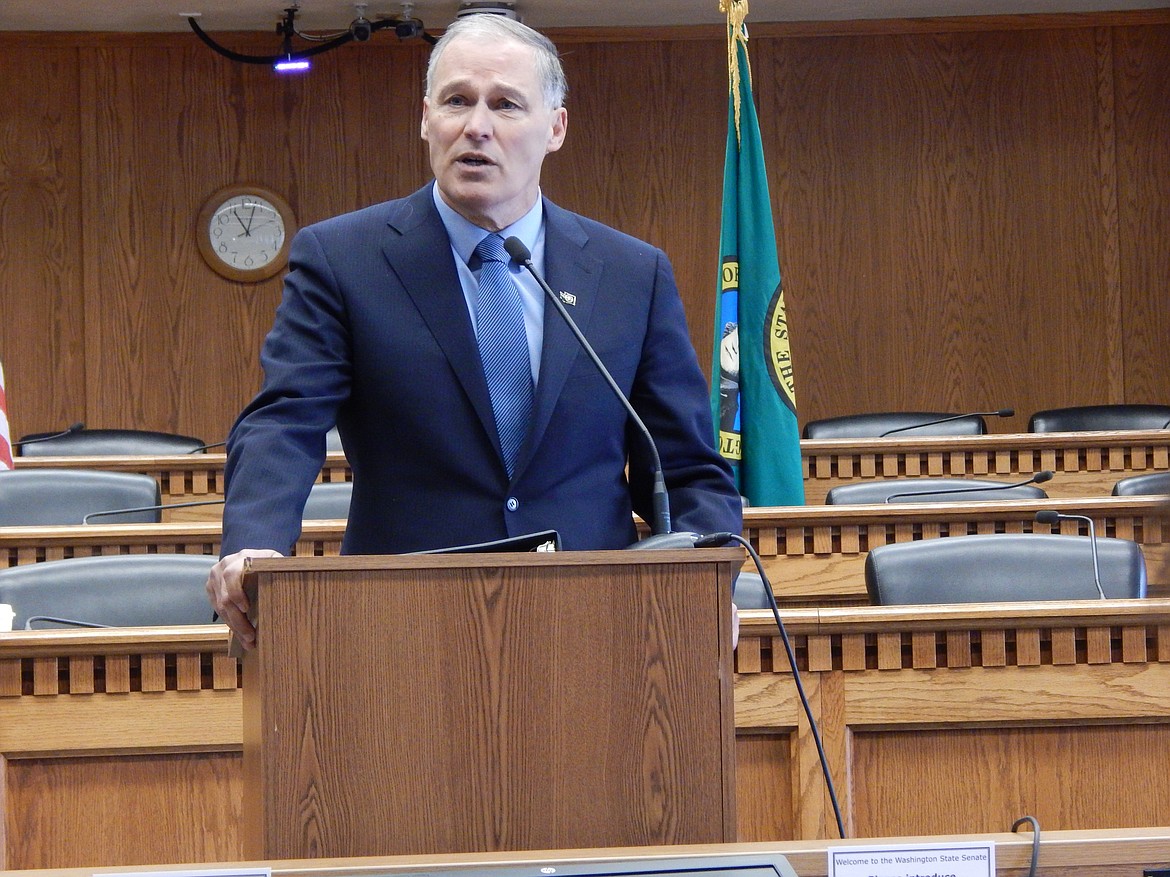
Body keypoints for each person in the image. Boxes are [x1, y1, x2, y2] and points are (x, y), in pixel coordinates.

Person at [206, 13, 743, 648]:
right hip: (401, 625)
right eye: (457, 101)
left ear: (556, 128)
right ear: (425, 119)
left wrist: (706, 582)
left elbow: (685, 463)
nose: (476, 126)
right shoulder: (343, 259)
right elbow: (285, 420)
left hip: (596, 625)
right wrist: (256, 544)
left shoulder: (631, 273)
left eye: (505, 104)